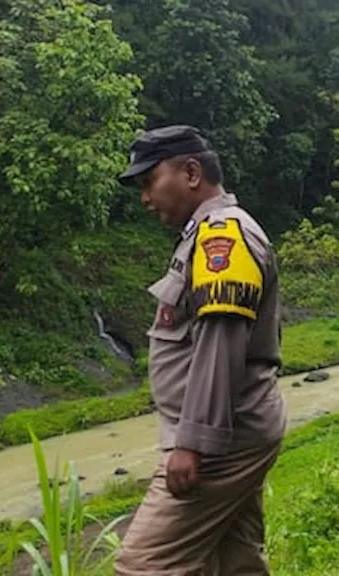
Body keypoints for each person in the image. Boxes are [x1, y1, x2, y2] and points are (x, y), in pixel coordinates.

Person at [113, 125, 286, 576]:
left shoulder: (222, 237)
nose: (145, 198)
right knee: (234, 560)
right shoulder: (204, 234)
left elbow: (219, 345)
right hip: (238, 429)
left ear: (191, 172)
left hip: (221, 440)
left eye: (149, 182)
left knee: (143, 564)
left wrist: (192, 443)